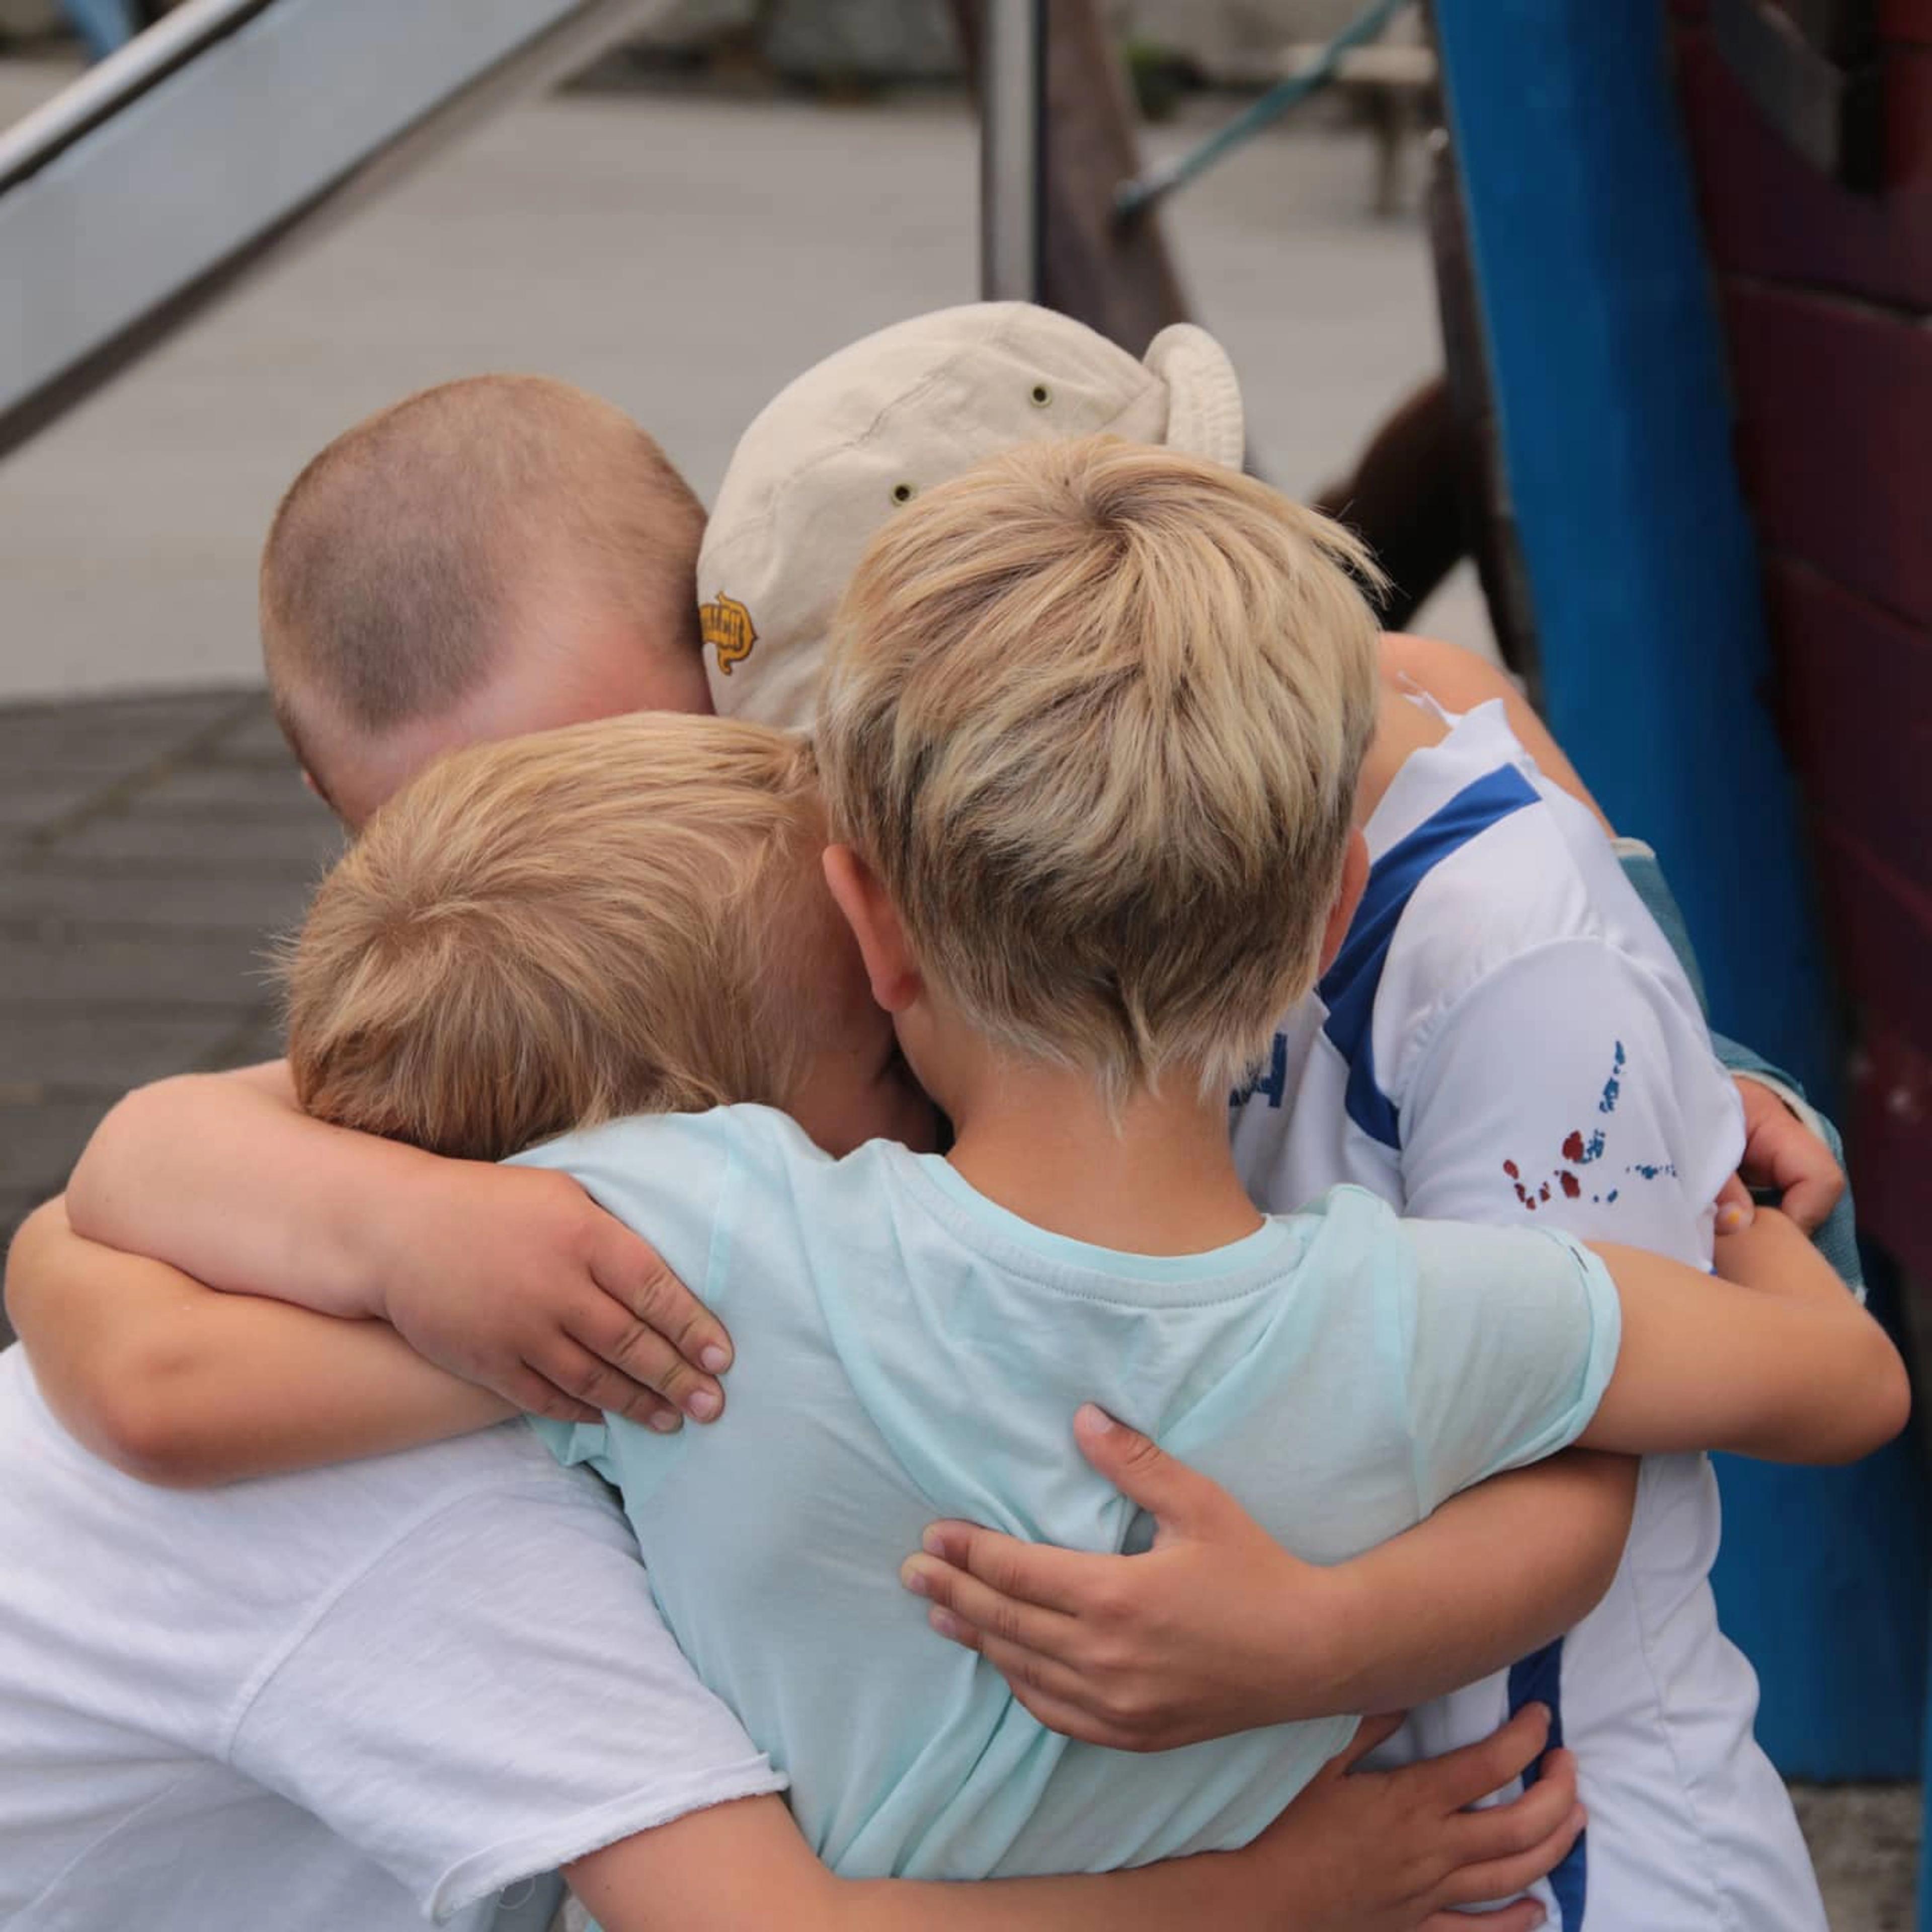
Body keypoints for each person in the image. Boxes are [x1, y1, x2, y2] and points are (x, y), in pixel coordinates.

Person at [30, 442, 1906, 1893]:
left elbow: (118, 1240)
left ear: (873, 907)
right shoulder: (1413, 1309)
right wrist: (1711, 1164)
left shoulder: (713, 1242)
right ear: (1327, 904)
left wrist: (404, 1219)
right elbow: (1840, 1384)